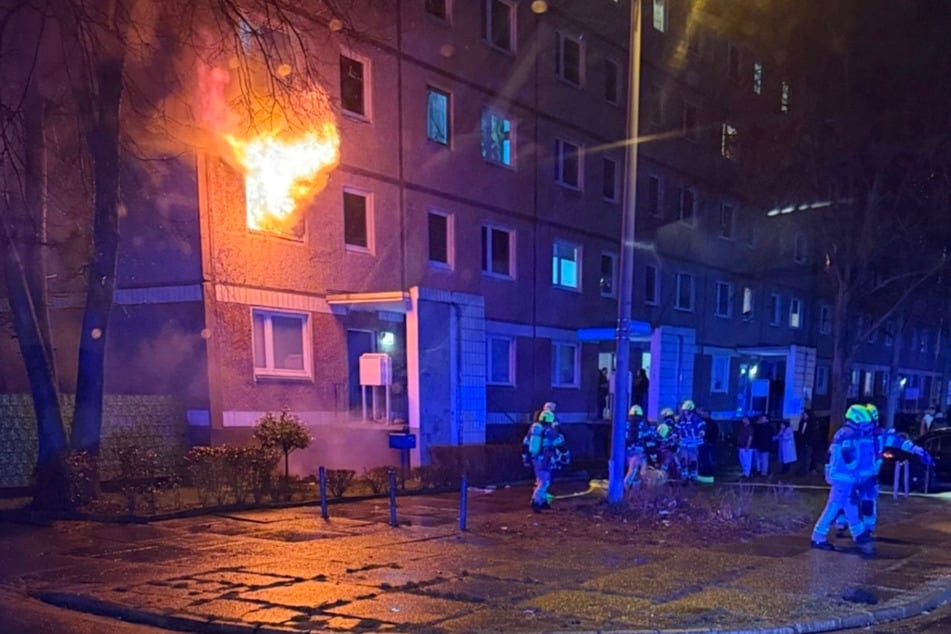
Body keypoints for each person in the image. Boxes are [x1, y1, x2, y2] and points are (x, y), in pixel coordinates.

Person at [835, 403, 933, 537]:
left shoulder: (878, 435)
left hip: (867, 475)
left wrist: (917, 450)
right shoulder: (856, 434)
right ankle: (844, 524)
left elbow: (899, 442)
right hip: (856, 474)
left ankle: (864, 527)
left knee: (865, 501)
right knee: (848, 499)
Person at [811, 405, 876, 550]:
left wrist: (828, 472)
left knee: (850, 504)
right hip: (844, 477)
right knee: (834, 506)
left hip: (842, 476)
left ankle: (858, 533)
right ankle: (818, 537)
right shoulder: (850, 434)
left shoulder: (842, 432)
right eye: (865, 424)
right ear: (857, 420)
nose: (867, 427)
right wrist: (856, 470)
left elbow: (829, 454)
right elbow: (848, 455)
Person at [524, 408, 568, 513]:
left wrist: (525, 458)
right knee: (545, 482)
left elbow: (526, 443)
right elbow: (559, 443)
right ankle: (535, 501)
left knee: (540, 480)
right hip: (545, 459)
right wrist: (565, 454)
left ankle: (543, 502)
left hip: (535, 458)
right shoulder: (549, 430)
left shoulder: (533, 429)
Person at [623, 405, 656, 487]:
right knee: (640, 468)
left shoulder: (624, 425)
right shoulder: (644, 426)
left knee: (636, 470)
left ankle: (635, 488)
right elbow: (650, 443)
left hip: (624, 454)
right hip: (638, 455)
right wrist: (653, 457)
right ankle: (625, 486)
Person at [676, 399, 705, 481]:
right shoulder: (680, 419)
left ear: (691, 410)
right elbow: (677, 429)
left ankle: (693, 475)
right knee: (683, 458)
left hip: (694, 442)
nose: (684, 412)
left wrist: (701, 433)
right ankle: (684, 475)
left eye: (686, 410)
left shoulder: (697, 419)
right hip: (684, 442)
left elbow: (702, 427)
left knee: (693, 459)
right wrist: (675, 436)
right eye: (684, 410)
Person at [655, 407, 680, 475]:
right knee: (675, 462)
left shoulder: (665, 424)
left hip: (667, 447)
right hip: (673, 447)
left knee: (666, 463)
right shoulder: (675, 424)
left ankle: (663, 475)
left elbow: (660, 437)